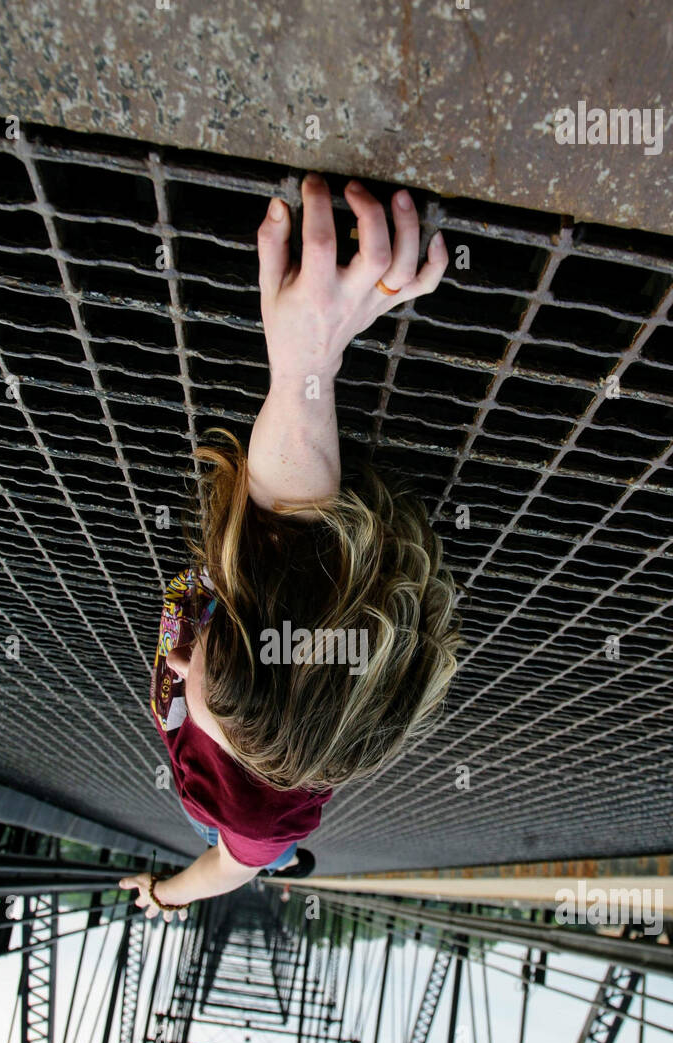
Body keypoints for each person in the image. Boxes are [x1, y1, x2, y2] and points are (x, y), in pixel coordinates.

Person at [121, 174, 461, 922]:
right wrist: (308, 368)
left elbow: (285, 551)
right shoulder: (257, 820)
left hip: (234, 794)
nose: (177, 663)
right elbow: (286, 515)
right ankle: (282, 868)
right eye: (201, 658)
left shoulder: (278, 664)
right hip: (232, 831)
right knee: (242, 851)